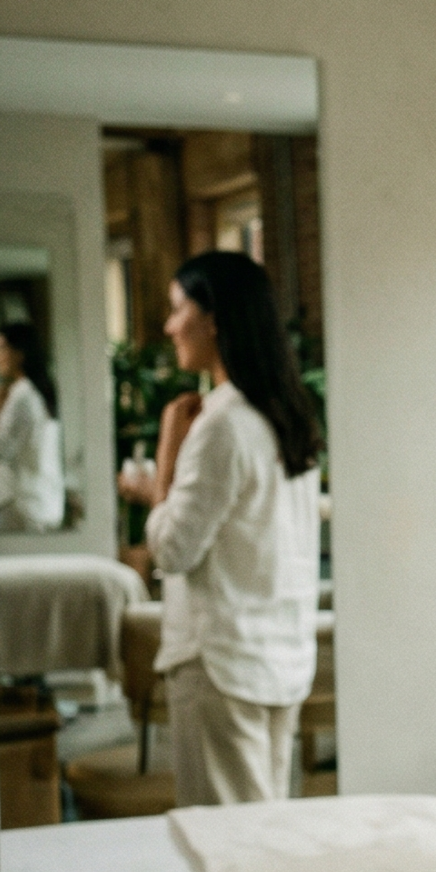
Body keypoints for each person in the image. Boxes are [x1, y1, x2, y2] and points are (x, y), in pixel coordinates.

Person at [123, 252, 323, 806]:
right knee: (265, 845)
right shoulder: (287, 415)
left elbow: (171, 550)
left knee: (231, 858)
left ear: (213, 318)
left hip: (220, 665)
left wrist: (167, 453)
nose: (168, 326)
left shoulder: (221, 425)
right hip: (278, 657)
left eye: (177, 308)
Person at [0, 322, 66, 533]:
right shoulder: (37, 393)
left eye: (1, 348)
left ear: (19, 353)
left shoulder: (21, 396)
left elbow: (1, 448)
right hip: (40, 502)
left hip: (21, 506)